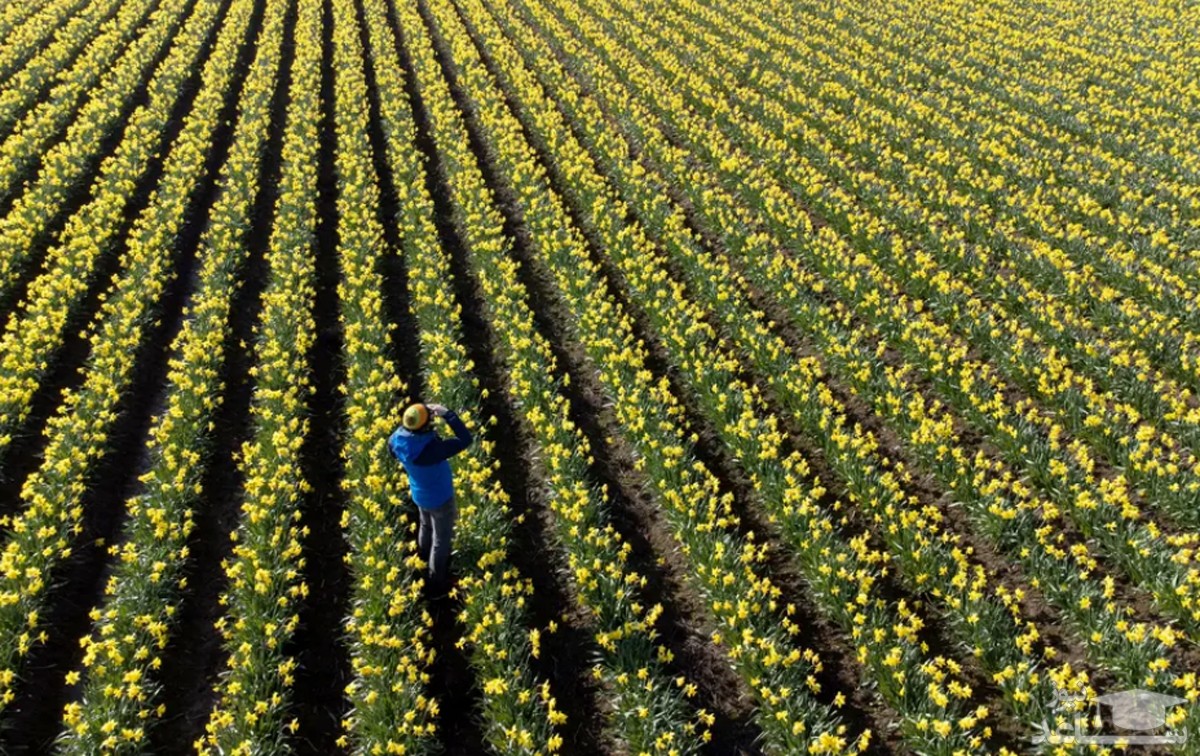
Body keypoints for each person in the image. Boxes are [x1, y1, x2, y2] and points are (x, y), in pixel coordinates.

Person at [388, 402, 473, 596]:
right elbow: (465, 439)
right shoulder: (430, 451)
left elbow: (401, 439)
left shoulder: (396, 440)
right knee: (441, 541)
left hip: (419, 494)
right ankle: (437, 582)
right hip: (440, 498)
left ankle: (422, 558)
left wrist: (421, 418)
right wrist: (448, 414)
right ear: (425, 426)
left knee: (425, 526)